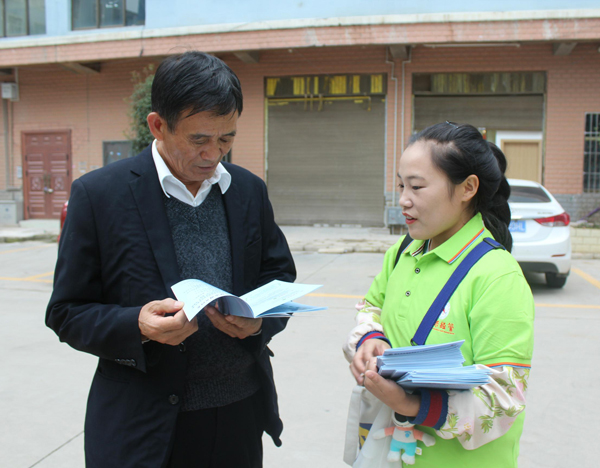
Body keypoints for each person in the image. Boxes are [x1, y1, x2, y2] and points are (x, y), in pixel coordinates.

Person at [46, 51, 296, 468]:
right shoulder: (100, 195)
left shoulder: (248, 190)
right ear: (158, 125)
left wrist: (260, 322)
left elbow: (279, 277)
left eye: (226, 139)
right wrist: (137, 325)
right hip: (143, 425)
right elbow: (66, 312)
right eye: (199, 140)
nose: (213, 154)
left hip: (238, 415)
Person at [343, 122, 534, 467]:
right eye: (401, 185)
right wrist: (370, 339)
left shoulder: (497, 275)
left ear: (467, 188)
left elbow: (504, 399)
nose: (403, 199)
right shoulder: (404, 251)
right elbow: (371, 306)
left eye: (417, 186)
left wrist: (411, 404)